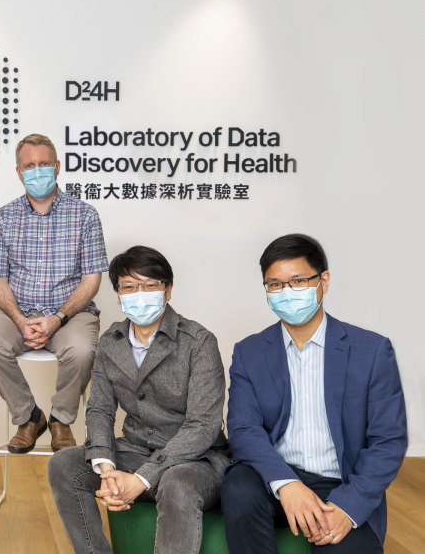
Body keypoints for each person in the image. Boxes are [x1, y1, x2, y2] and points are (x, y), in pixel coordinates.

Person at [221, 234, 407, 553]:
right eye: (275, 284)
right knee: (239, 486)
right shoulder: (249, 352)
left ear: (324, 281)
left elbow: (388, 440)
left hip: (341, 486)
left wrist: (348, 507)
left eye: (298, 281)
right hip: (274, 480)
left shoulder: (372, 350)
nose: (286, 292)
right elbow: (243, 429)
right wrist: (287, 483)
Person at [49, 246, 230, 554]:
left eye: (149, 285)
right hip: (134, 450)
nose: (139, 294)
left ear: (168, 290)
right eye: (129, 287)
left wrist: (142, 479)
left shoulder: (198, 342)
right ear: (118, 295)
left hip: (196, 460)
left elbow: (203, 426)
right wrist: (106, 468)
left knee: (176, 483)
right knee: (64, 464)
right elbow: (100, 409)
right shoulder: (111, 342)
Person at [0, 133, 108, 453]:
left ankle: (60, 419)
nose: (37, 171)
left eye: (44, 164)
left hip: (71, 312)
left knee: (83, 349)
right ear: (19, 173)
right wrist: (20, 320)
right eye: (29, 166)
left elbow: (91, 280)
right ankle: (29, 417)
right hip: (16, 311)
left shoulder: (86, 215)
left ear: (57, 167)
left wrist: (58, 318)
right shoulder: (3, 218)